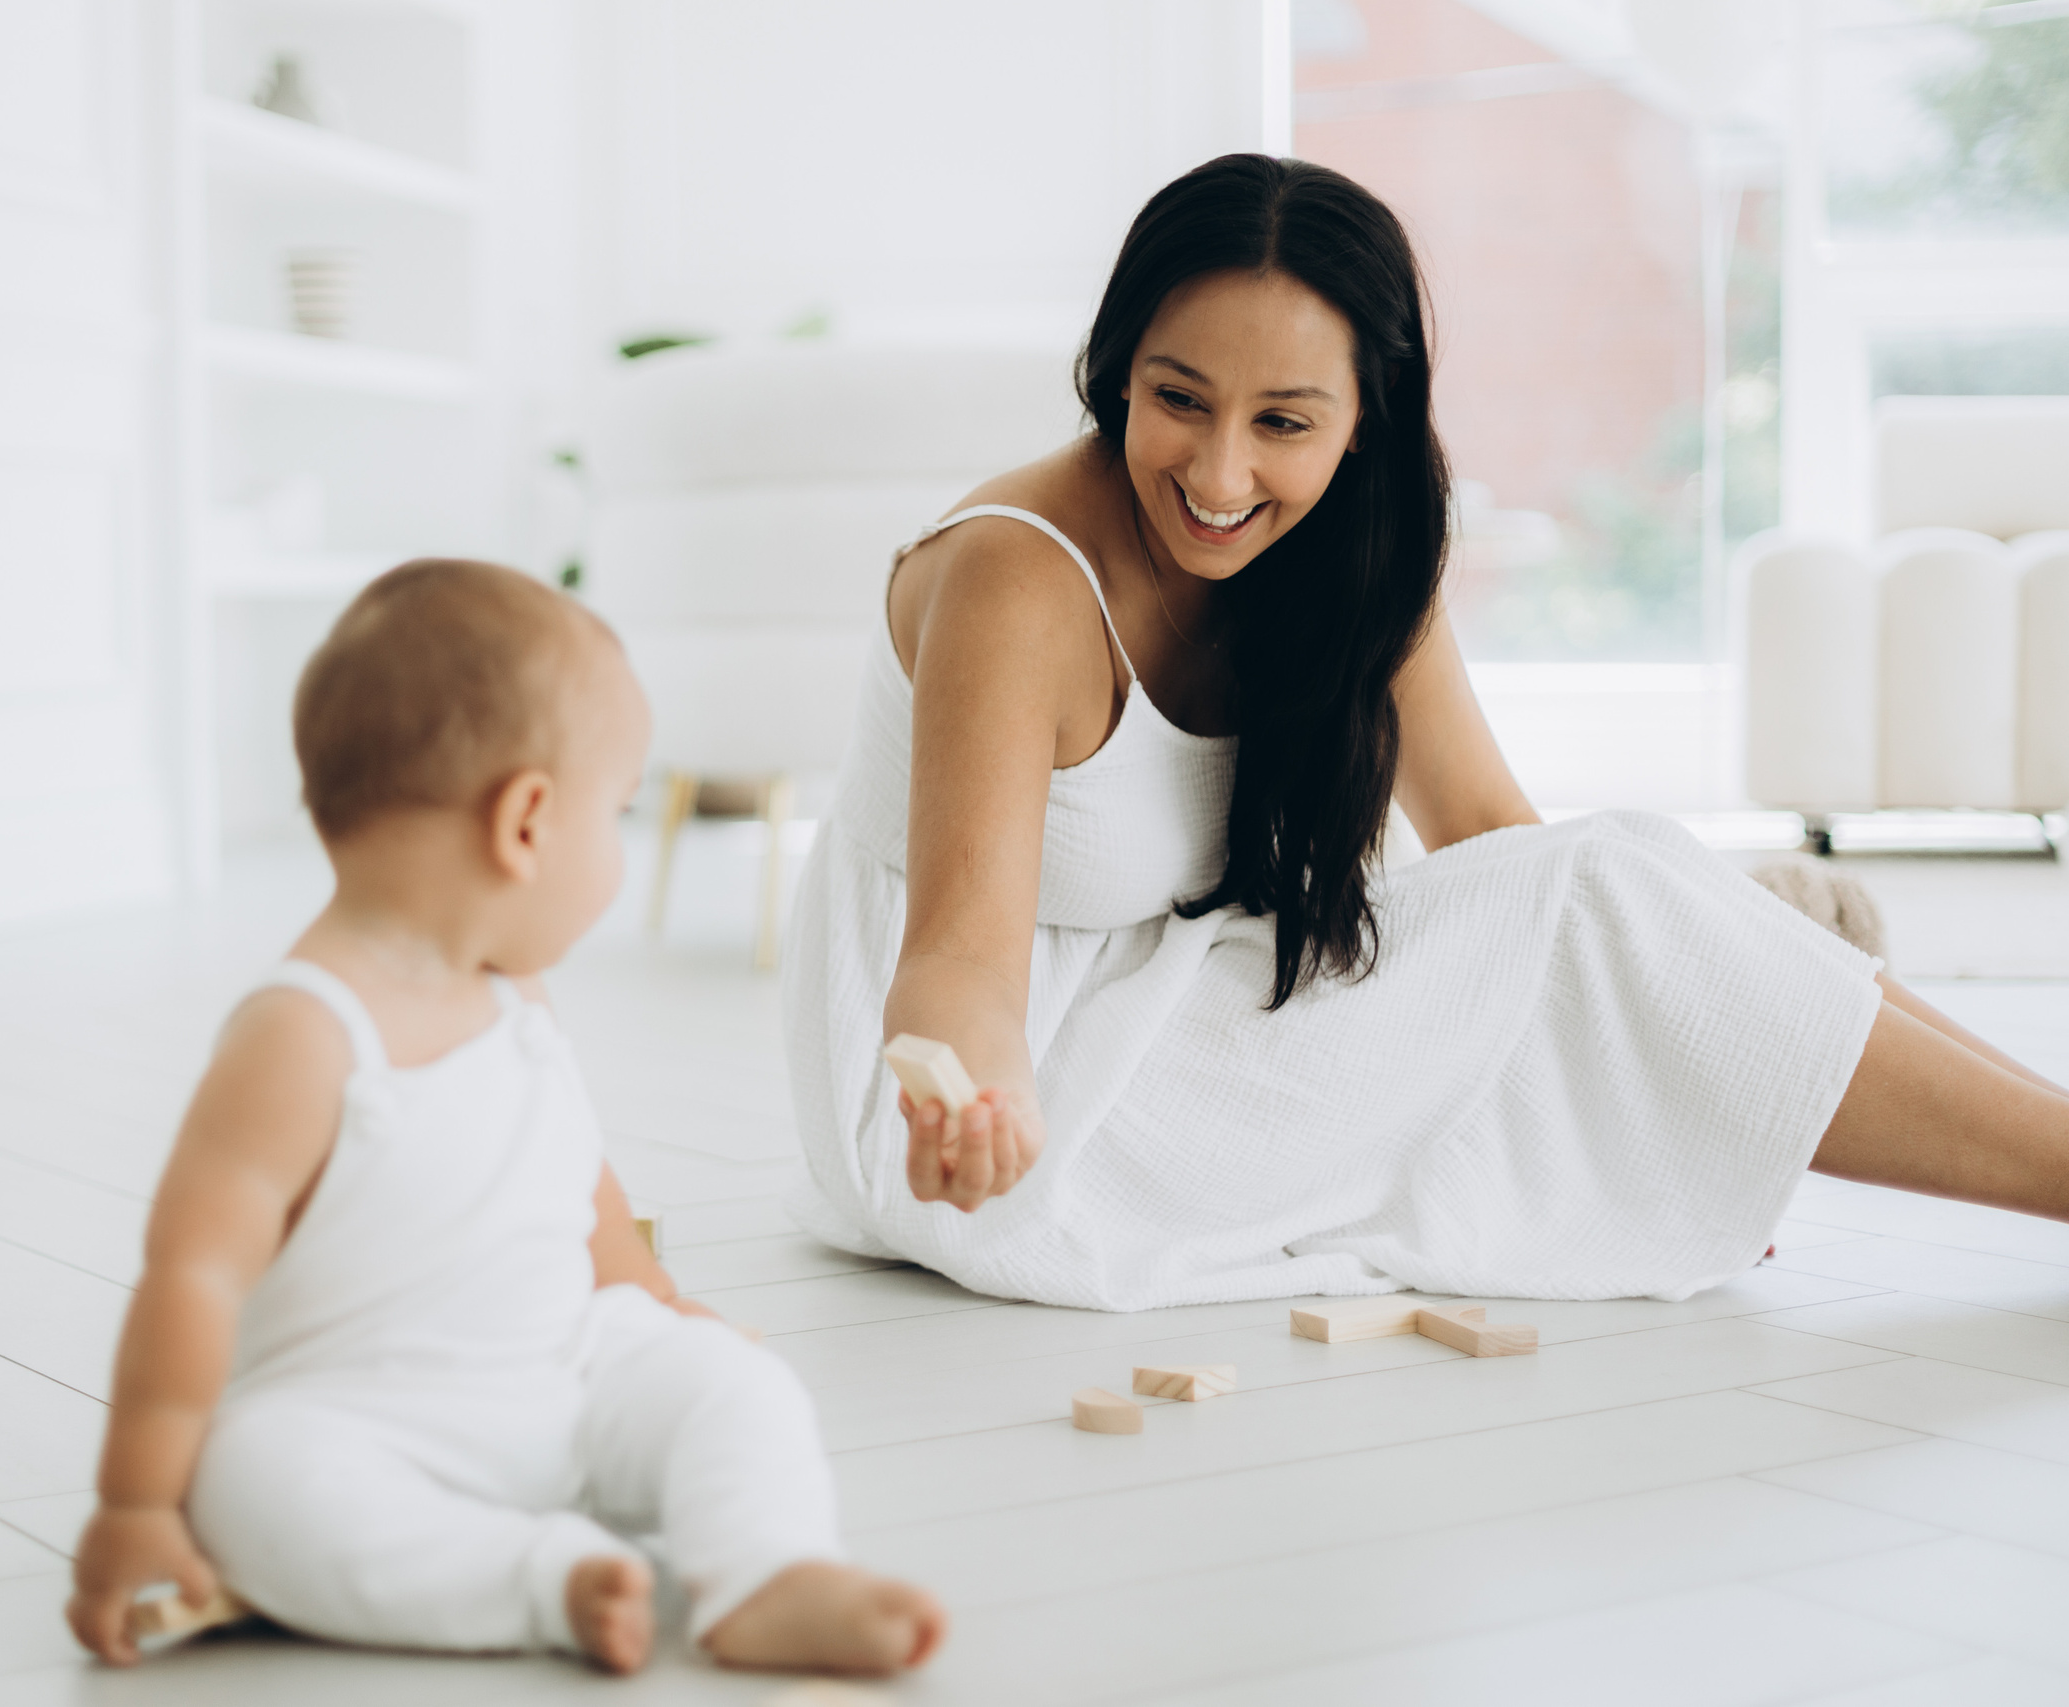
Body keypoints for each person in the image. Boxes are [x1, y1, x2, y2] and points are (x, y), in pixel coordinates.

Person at [781, 154, 2069, 1313]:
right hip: (1010, 1116)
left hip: (1188, 1026)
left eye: (1282, 422)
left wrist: (1683, 1097)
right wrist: (977, 1098)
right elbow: (956, 957)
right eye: (1178, 399)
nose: (1219, 475)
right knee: (1617, 893)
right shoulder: (1016, 580)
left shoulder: (1356, 548)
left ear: (1363, 422)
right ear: (1118, 368)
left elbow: (1500, 855)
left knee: (1623, 876)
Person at [65, 561, 943, 1676]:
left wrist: (663, 1308)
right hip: (369, 1425)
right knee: (249, 1483)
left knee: (736, 1384)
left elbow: (578, 1180)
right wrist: (137, 1500)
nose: (617, 848)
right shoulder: (301, 1035)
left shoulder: (511, 994)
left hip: (566, 1373)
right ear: (528, 823)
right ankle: (536, 1582)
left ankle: (766, 1573)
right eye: (617, 810)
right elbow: (189, 1274)